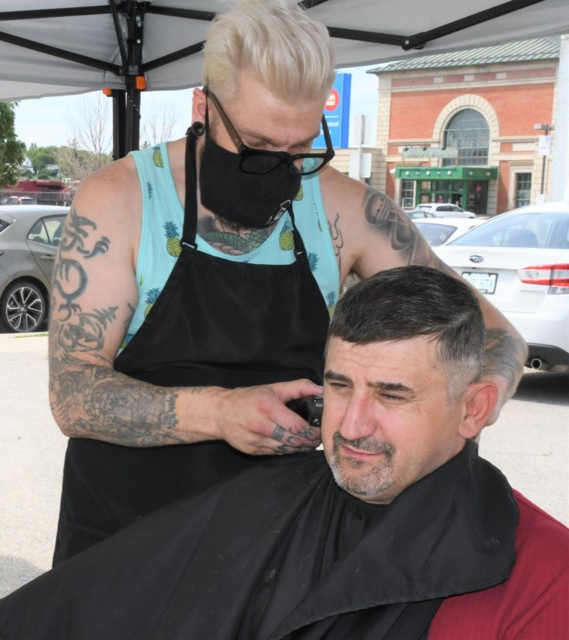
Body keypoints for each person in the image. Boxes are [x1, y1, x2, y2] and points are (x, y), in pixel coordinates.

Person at [47, 0, 528, 564]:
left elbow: (498, 337)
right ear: (203, 107)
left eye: (300, 148)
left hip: (279, 546)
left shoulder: (345, 211)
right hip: (124, 539)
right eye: (257, 146)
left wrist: (462, 410)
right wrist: (222, 413)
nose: (282, 168)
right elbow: (72, 396)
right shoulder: (121, 201)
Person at [0, 266, 569, 639]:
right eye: (340, 386)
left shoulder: (542, 574)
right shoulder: (265, 501)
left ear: (474, 408)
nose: (352, 424)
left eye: (393, 394)